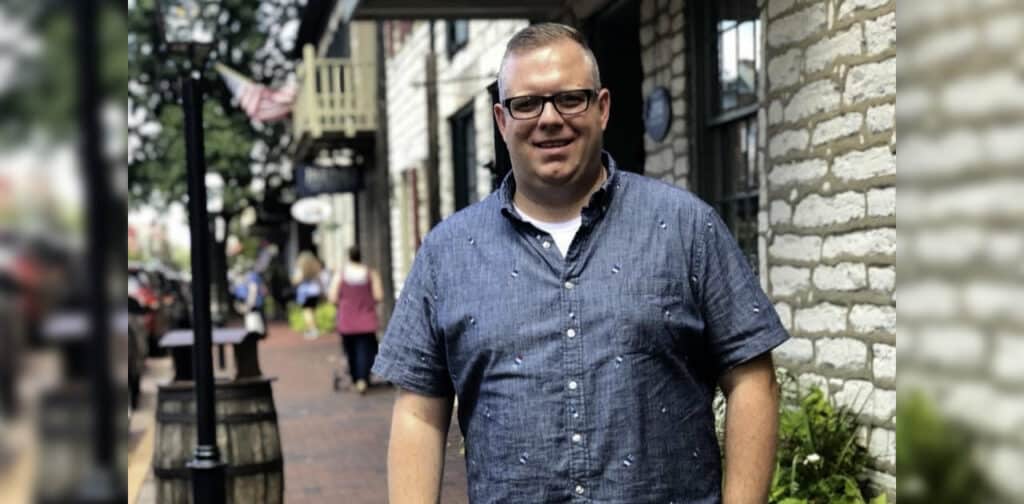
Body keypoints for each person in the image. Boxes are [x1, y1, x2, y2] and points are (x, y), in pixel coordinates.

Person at [373, 23, 789, 503]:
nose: (549, 119)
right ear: (501, 120)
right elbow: (418, 414)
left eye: (570, 98)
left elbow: (752, 378)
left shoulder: (686, 228)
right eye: (526, 103)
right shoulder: (446, 254)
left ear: (603, 107)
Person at [328, 246, 382, 395]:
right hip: (367, 319)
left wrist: (344, 304)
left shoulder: (341, 274)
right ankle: (363, 379)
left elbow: (332, 297)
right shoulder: (371, 273)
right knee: (367, 350)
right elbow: (378, 295)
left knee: (350, 351)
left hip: (347, 320)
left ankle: (355, 377)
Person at [291, 250, 323, 340]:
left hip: (305, 293)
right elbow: (319, 280)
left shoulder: (301, 268)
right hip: (315, 291)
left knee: (307, 312)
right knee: (313, 312)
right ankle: (313, 328)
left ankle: (312, 330)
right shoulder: (315, 267)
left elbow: (296, 280)